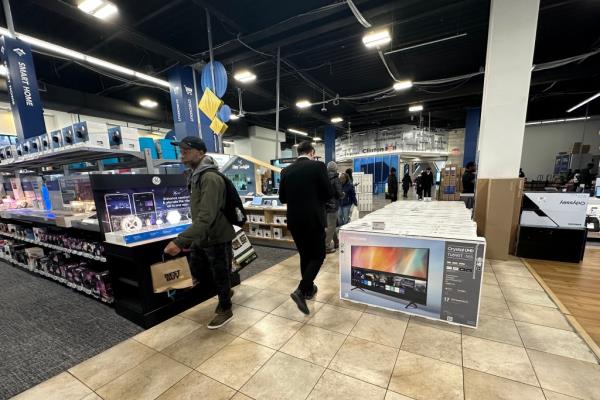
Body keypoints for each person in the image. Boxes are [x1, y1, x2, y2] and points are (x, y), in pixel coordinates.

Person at [164, 136, 235, 329]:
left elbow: (207, 216)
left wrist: (180, 241)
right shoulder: (196, 175)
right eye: (181, 150)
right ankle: (225, 292)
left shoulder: (210, 177)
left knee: (220, 273)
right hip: (204, 235)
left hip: (216, 235)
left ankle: (225, 308)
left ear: (201, 152)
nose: (182, 153)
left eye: (187, 150)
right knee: (201, 270)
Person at [279, 141, 332, 314]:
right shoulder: (318, 166)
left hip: (294, 220)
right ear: (312, 152)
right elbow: (328, 193)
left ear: (298, 152)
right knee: (319, 255)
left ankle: (309, 289)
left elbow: (282, 198)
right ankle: (301, 290)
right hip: (313, 219)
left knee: (305, 255)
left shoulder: (286, 171)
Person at [325, 161, 344, 253]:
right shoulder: (336, 178)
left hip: (325, 205)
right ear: (335, 168)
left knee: (332, 224)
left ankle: (336, 242)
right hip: (333, 205)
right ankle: (326, 246)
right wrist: (343, 194)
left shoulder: (323, 177)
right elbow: (339, 193)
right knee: (331, 226)